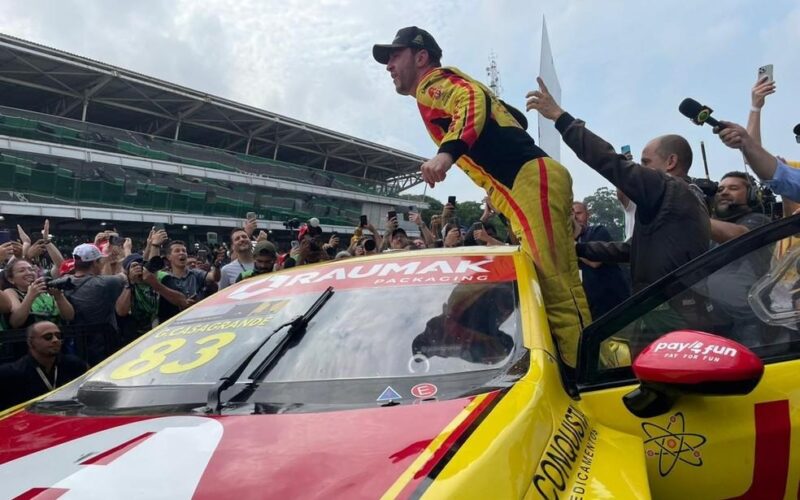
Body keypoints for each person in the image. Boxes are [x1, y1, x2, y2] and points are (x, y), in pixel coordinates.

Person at [374, 26, 589, 366]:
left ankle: (584, 374)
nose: (388, 65)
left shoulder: (433, 83)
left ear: (421, 56)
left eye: (394, 56)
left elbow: (470, 100)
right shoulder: (441, 91)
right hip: (527, 186)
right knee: (558, 288)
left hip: (530, 182)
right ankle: (585, 365)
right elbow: (505, 114)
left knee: (554, 292)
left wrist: (447, 153)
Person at [526, 77, 710, 293]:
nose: (640, 168)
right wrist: (576, 249)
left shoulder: (667, 188)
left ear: (671, 162)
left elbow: (610, 161)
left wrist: (561, 118)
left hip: (667, 306)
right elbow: (630, 250)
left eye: (645, 163)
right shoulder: (693, 197)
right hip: (682, 301)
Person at [0, 321, 87, 409]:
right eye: (48, 337)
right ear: (30, 342)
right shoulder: (11, 374)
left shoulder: (75, 365)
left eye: (58, 336)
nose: (55, 340)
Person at [63, 243, 126, 364]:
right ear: (95, 263)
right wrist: (123, 253)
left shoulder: (64, 283)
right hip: (105, 343)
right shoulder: (107, 282)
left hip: (78, 344)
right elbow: (125, 275)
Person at [572, 202, 630, 318]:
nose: (575, 217)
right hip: (592, 308)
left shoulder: (597, 231)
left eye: (578, 213)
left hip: (614, 302)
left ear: (588, 215)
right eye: (571, 214)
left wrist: (572, 247)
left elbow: (595, 262)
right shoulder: (570, 241)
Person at [157, 240, 220, 323]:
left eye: (184, 251)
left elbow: (213, 277)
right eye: (177, 251)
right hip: (172, 324)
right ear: (169, 257)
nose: (182, 253)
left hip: (197, 321)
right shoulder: (164, 277)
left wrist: (216, 266)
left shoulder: (196, 273)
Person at [3, 259, 74, 329]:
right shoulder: (11, 292)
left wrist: (59, 297)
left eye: (31, 269)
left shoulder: (47, 291)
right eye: (22, 271)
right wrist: (30, 296)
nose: (28, 273)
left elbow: (69, 317)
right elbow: (15, 322)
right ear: (11, 279)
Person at [711, 172, 771, 244]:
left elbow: (742, 237)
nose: (724, 192)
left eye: (733, 188)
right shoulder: (708, 229)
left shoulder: (761, 220)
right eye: (720, 190)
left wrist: (697, 216)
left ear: (751, 195)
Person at [219, 221, 257, 289]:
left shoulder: (263, 264)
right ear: (233, 246)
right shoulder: (226, 270)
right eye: (237, 239)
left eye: (244, 237)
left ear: (250, 241)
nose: (242, 239)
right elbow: (222, 296)